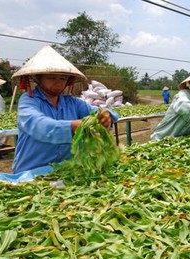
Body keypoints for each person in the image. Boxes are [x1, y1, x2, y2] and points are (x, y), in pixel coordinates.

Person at [11, 45, 119, 174]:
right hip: (31, 172)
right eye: (51, 77)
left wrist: (107, 115)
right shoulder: (29, 101)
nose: (58, 82)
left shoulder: (72, 102)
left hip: (65, 170)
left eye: (63, 78)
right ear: (38, 79)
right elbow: (39, 126)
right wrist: (74, 126)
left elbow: (104, 113)